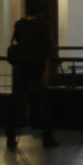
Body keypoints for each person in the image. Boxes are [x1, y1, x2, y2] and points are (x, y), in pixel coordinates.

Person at [5, 9, 56, 150]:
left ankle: (10, 136)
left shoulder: (19, 25)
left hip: (21, 68)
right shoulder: (42, 26)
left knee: (16, 103)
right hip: (37, 69)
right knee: (42, 103)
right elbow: (48, 50)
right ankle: (47, 137)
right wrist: (46, 71)